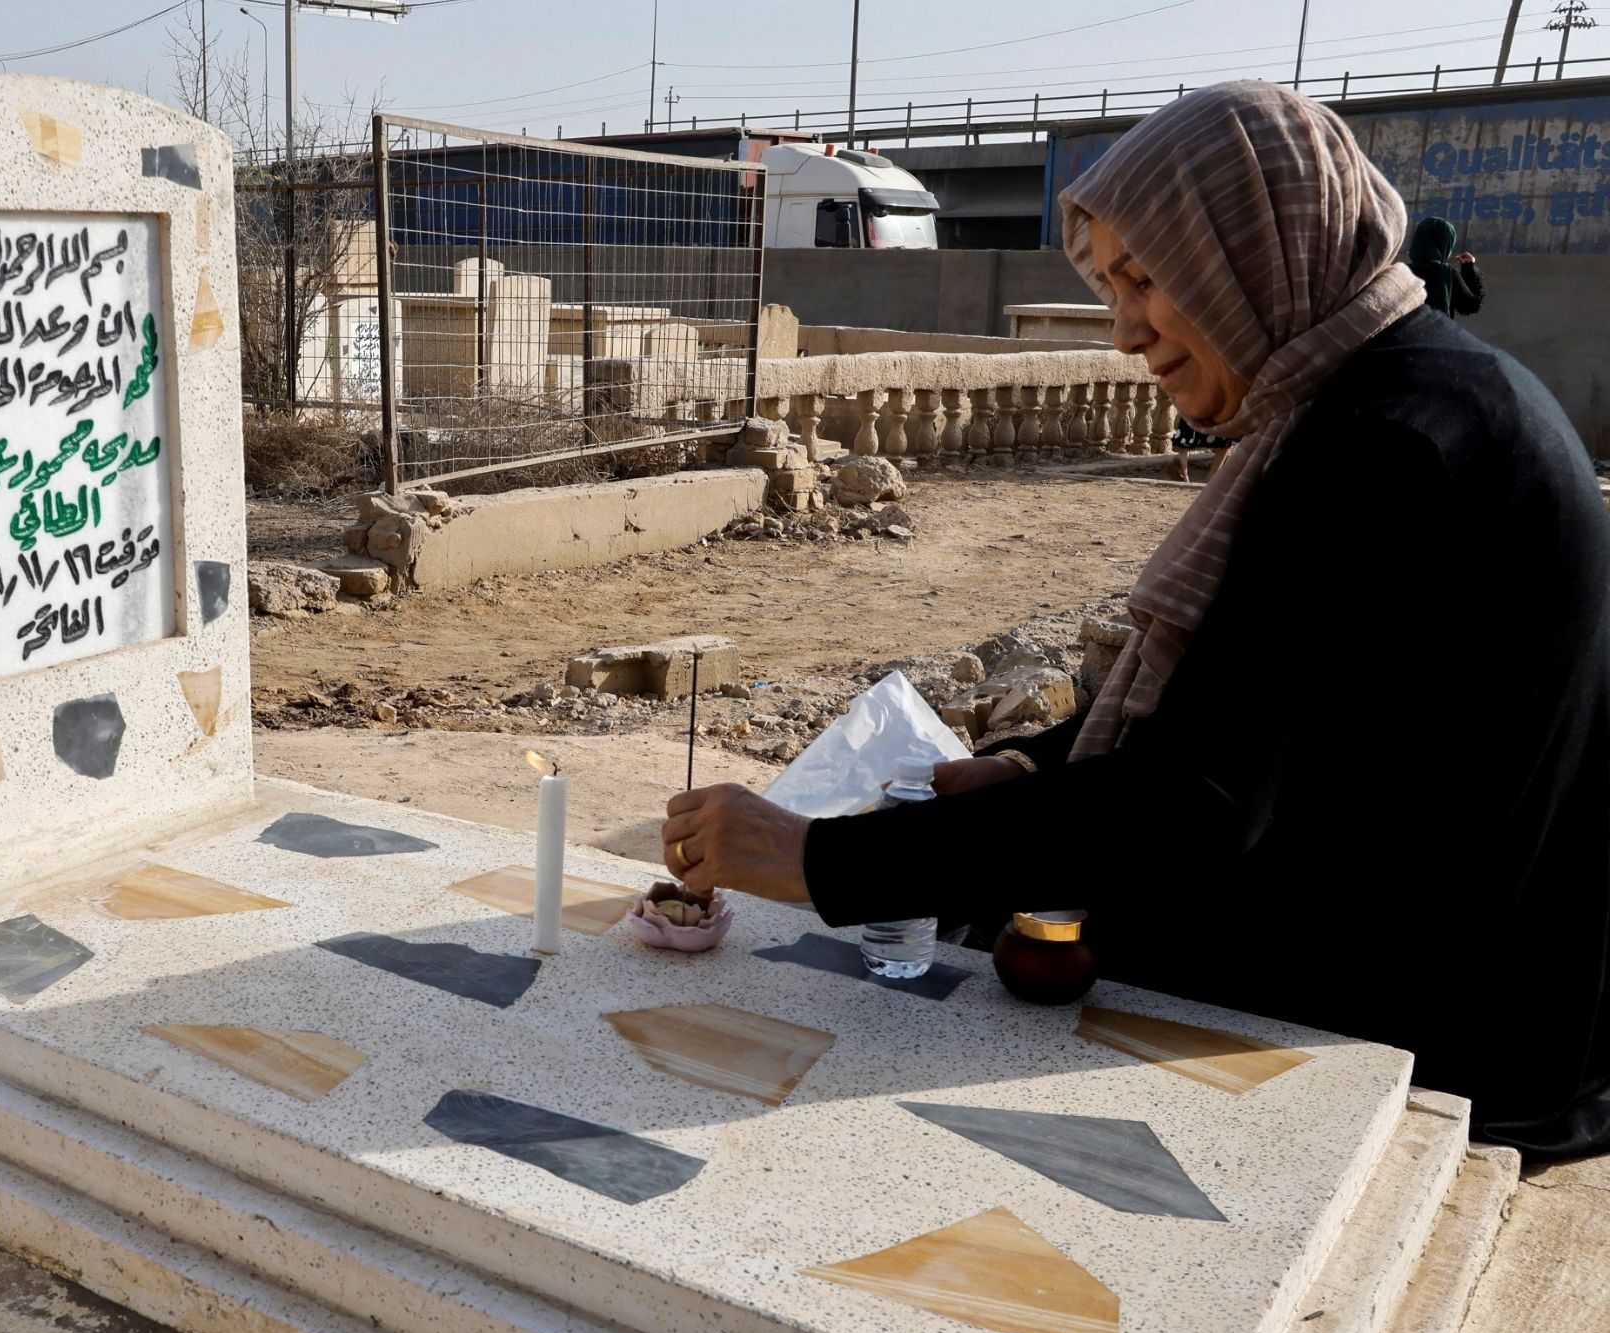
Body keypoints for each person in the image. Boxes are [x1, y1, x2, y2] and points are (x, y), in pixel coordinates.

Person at [659, 81, 1610, 1163]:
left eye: (1145, 279)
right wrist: (1031, 773)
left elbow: (1191, 809)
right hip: (1461, 983)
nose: (1122, 331)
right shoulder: (1402, 394)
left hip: (1440, 1047)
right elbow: (1277, 717)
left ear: (1249, 252)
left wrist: (816, 859)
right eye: (1107, 284)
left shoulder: (1381, 446)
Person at [1407, 215, 1484, 318]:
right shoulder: (1447, 274)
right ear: (1443, 245)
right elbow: (1471, 305)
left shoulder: (1400, 272)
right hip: (1436, 333)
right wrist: (1469, 268)